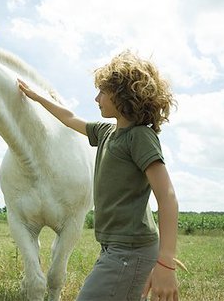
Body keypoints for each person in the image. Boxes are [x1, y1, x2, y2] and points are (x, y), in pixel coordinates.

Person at [17, 50, 179, 301]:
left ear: (124, 95)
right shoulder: (106, 133)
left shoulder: (140, 137)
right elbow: (69, 118)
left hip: (131, 250)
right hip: (114, 248)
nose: (96, 98)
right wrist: (37, 98)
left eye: (103, 92)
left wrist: (166, 262)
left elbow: (167, 197)